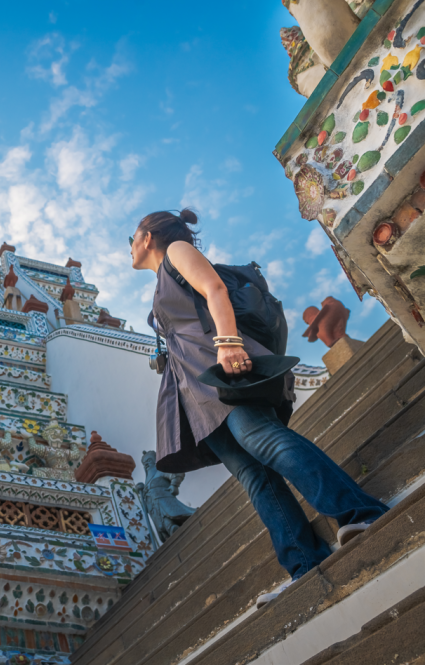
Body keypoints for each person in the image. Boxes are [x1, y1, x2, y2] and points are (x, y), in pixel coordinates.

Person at [130, 208, 389, 608]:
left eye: (132, 238)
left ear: (147, 236)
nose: (129, 248)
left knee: (266, 441)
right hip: (196, 394)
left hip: (220, 369)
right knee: (254, 476)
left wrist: (229, 343)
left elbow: (214, 288)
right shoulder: (159, 284)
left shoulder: (177, 251)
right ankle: (303, 563)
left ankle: (358, 511)